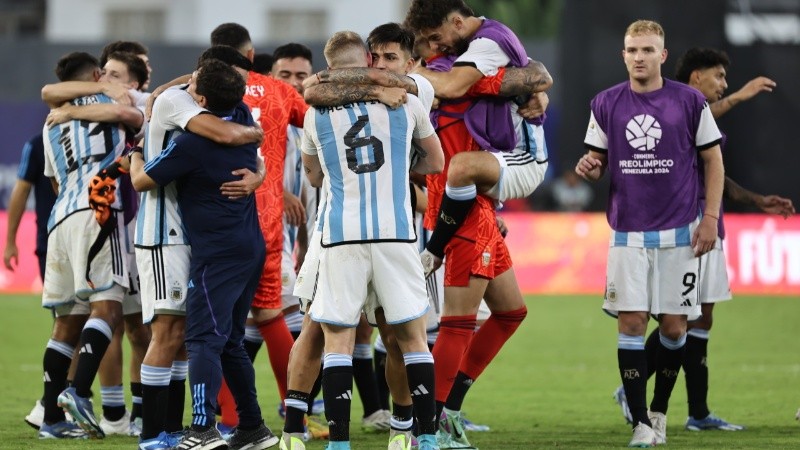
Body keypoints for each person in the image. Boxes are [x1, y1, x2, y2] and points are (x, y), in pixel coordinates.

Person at [613, 47, 794, 433]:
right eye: (718, 76)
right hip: (685, 228)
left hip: (712, 227)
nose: (724, 84)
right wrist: (740, 97)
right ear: (696, 77)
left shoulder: (698, 119)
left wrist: (757, 200)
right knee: (681, 319)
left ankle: (697, 412)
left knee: (701, 318)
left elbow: (717, 176)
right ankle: (636, 386)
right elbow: (700, 119)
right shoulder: (676, 108)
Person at [575, 20, 725, 447]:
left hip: (681, 232)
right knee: (633, 322)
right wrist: (589, 168)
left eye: (647, 50)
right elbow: (597, 161)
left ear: (662, 55)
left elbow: (713, 161)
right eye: (631, 50)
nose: (638, 57)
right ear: (623, 55)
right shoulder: (605, 103)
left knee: (676, 329)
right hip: (628, 234)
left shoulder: (690, 101)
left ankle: (659, 411)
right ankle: (641, 421)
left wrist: (709, 217)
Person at [299, 30, 444, 450]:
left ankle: (339, 442)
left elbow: (313, 176)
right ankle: (423, 437)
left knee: (339, 337)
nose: (381, 64)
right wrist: (400, 164)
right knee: (411, 337)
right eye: (376, 57)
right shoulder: (411, 102)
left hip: (341, 234)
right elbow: (435, 161)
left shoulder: (316, 111)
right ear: (366, 58)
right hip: (396, 232)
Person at [129, 58, 278, 450]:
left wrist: (134, 151)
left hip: (212, 250)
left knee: (197, 338)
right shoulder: (241, 115)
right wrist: (259, 167)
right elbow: (246, 137)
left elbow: (142, 181)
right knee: (222, 339)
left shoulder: (190, 143)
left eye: (195, 83)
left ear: (202, 97)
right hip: (245, 245)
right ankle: (252, 428)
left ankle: (200, 428)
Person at [43, 50, 153, 437]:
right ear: (96, 74)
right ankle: (78, 391)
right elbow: (134, 119)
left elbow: (54, 179)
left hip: (61, 217)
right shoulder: (115, 99)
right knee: (108, 310)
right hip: (102, 212)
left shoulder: (50, 121)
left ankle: (51, 419)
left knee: (68, 322)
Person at [403, 0, 553, 275]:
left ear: (458, 23)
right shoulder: (470, 49)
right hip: (480, 173)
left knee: (461, 167)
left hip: (521, 158)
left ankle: (433, 252)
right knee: (508, 312)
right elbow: (536, 73)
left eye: (436, 37)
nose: (436, 48)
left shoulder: (487, 43)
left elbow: (452, 86)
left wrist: (415, 76)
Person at [211, 23, 308, 407]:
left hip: (220, 218)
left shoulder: (198, 92)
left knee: (217, 324)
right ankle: (295, 411)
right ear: (252, 57)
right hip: (268, 220)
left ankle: (227, 419)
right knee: (271, 316)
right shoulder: (279, 91)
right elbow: (316, 118)